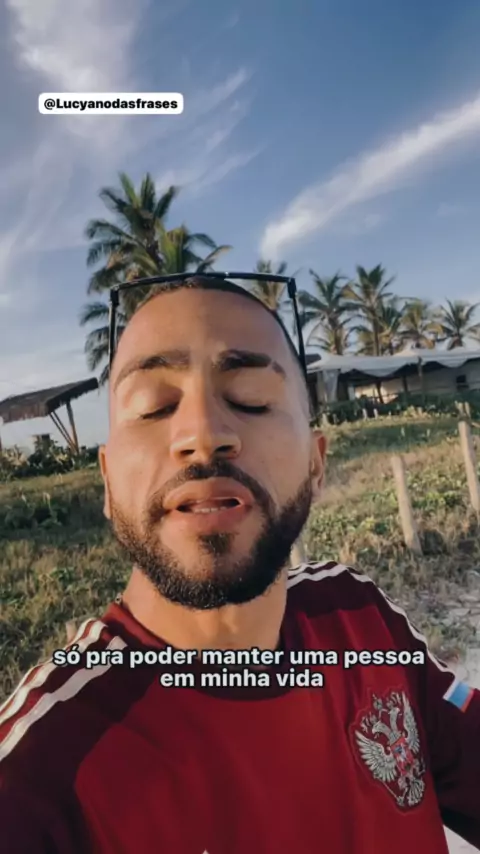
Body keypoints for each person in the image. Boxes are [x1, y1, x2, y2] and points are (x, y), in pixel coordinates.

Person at [0, 277, 479, 854]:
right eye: (154, 407)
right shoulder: (40, 775)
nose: (203, 435)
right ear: (107, 480)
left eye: (251, 398)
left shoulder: (357, 617)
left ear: (316, 465)